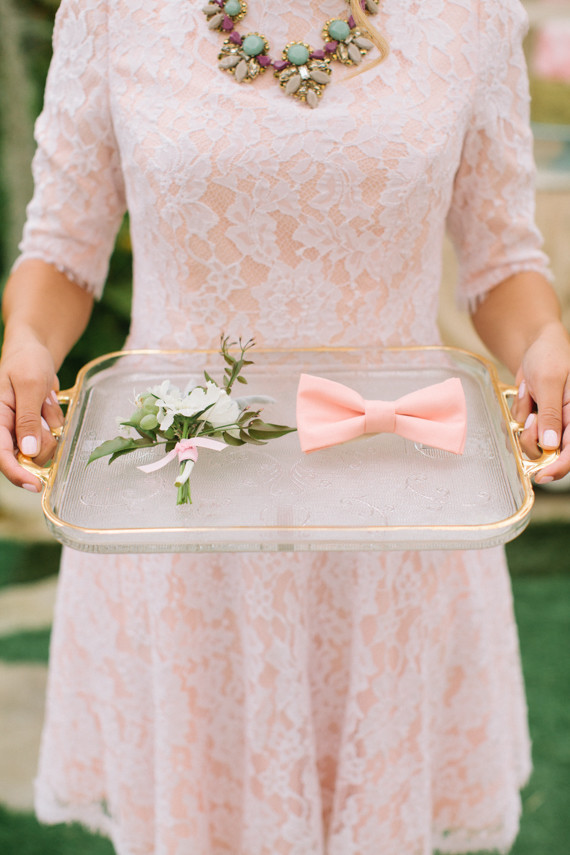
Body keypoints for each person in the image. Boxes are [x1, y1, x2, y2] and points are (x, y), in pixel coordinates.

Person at [1, 0, 569, 853]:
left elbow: (503, 257)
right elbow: (62, 245)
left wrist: (547, 343)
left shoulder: (473, 12)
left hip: (393, 503)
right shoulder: (114, 11)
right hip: (188, 509)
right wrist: (29, 344)